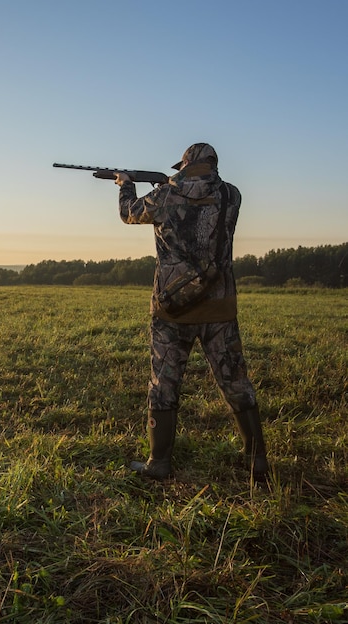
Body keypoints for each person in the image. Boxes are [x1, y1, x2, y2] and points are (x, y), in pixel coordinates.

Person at [114, 143, 268, 482]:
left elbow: (129, 212)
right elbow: (200, 203)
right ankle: (257, 461)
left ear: (186, 162)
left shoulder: (165, 196)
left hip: (172, 309)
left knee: (164, 383)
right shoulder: (233, 196)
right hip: (220, 307)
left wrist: (126, 183)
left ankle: (159, 463)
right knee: (235, 381)